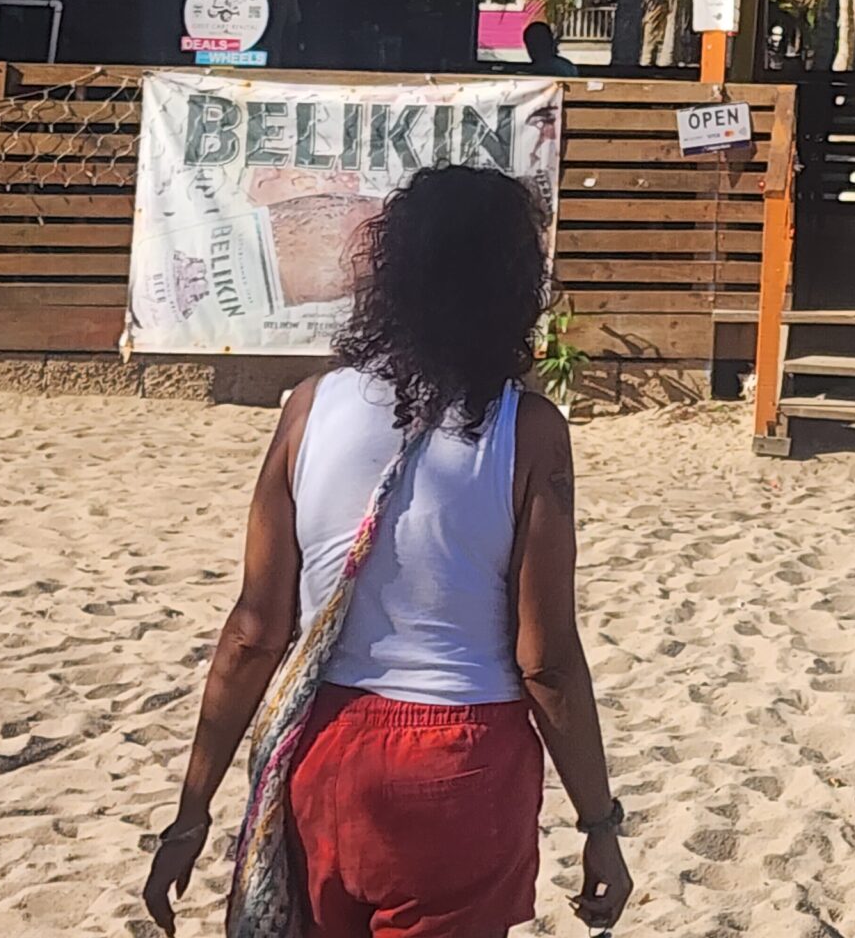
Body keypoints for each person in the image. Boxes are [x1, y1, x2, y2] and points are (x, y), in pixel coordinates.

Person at [143, 166, 631, 937]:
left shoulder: (307, 410)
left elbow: (252, 634)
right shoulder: (529, 432)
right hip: (462, 766)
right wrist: (599, 823)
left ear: (392, 271)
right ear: (513, 286)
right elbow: (547, 662)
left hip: (326, 756)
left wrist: (191, 814)